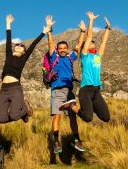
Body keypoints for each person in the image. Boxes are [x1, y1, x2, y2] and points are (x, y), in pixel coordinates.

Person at [0, 14, 50, 123]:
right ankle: (22, 112)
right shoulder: (9, 55)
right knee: (1, 119)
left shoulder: (23, 58)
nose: (18, 46)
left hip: (15, 88)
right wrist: (8, 24)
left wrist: (44, 32)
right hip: (4, 90)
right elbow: (8, 40)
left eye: (21, 46)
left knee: (15, 116)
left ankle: (24, 109)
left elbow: (33, 45)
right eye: (17, 45)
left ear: (24, 51)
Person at [59, 12, 111, 124]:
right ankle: (71, 106)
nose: (93, 43)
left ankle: (91, 108)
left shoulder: (98, 56)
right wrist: (91, 20)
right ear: (85, 47)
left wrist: (107, 28)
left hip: (96, 90)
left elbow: (103, 42)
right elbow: (89, 36)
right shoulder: (84, 56)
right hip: (86, 90)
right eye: (91, 43)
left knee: (106, 118)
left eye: (93, 42)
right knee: (88, 118)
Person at [44, 15, 86, 153]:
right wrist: (49, 29)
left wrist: (82, 32)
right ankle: (56, 143)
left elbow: (79, 46)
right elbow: (50, 44)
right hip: (56, 91)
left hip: (69, 91)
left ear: (67, 49)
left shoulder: (70, 57)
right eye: (60, 48)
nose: (62, 49)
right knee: (57, 115)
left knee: (73, 117)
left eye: (64, 48)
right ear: (57, 49)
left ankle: (76, 141)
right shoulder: (53, 57)